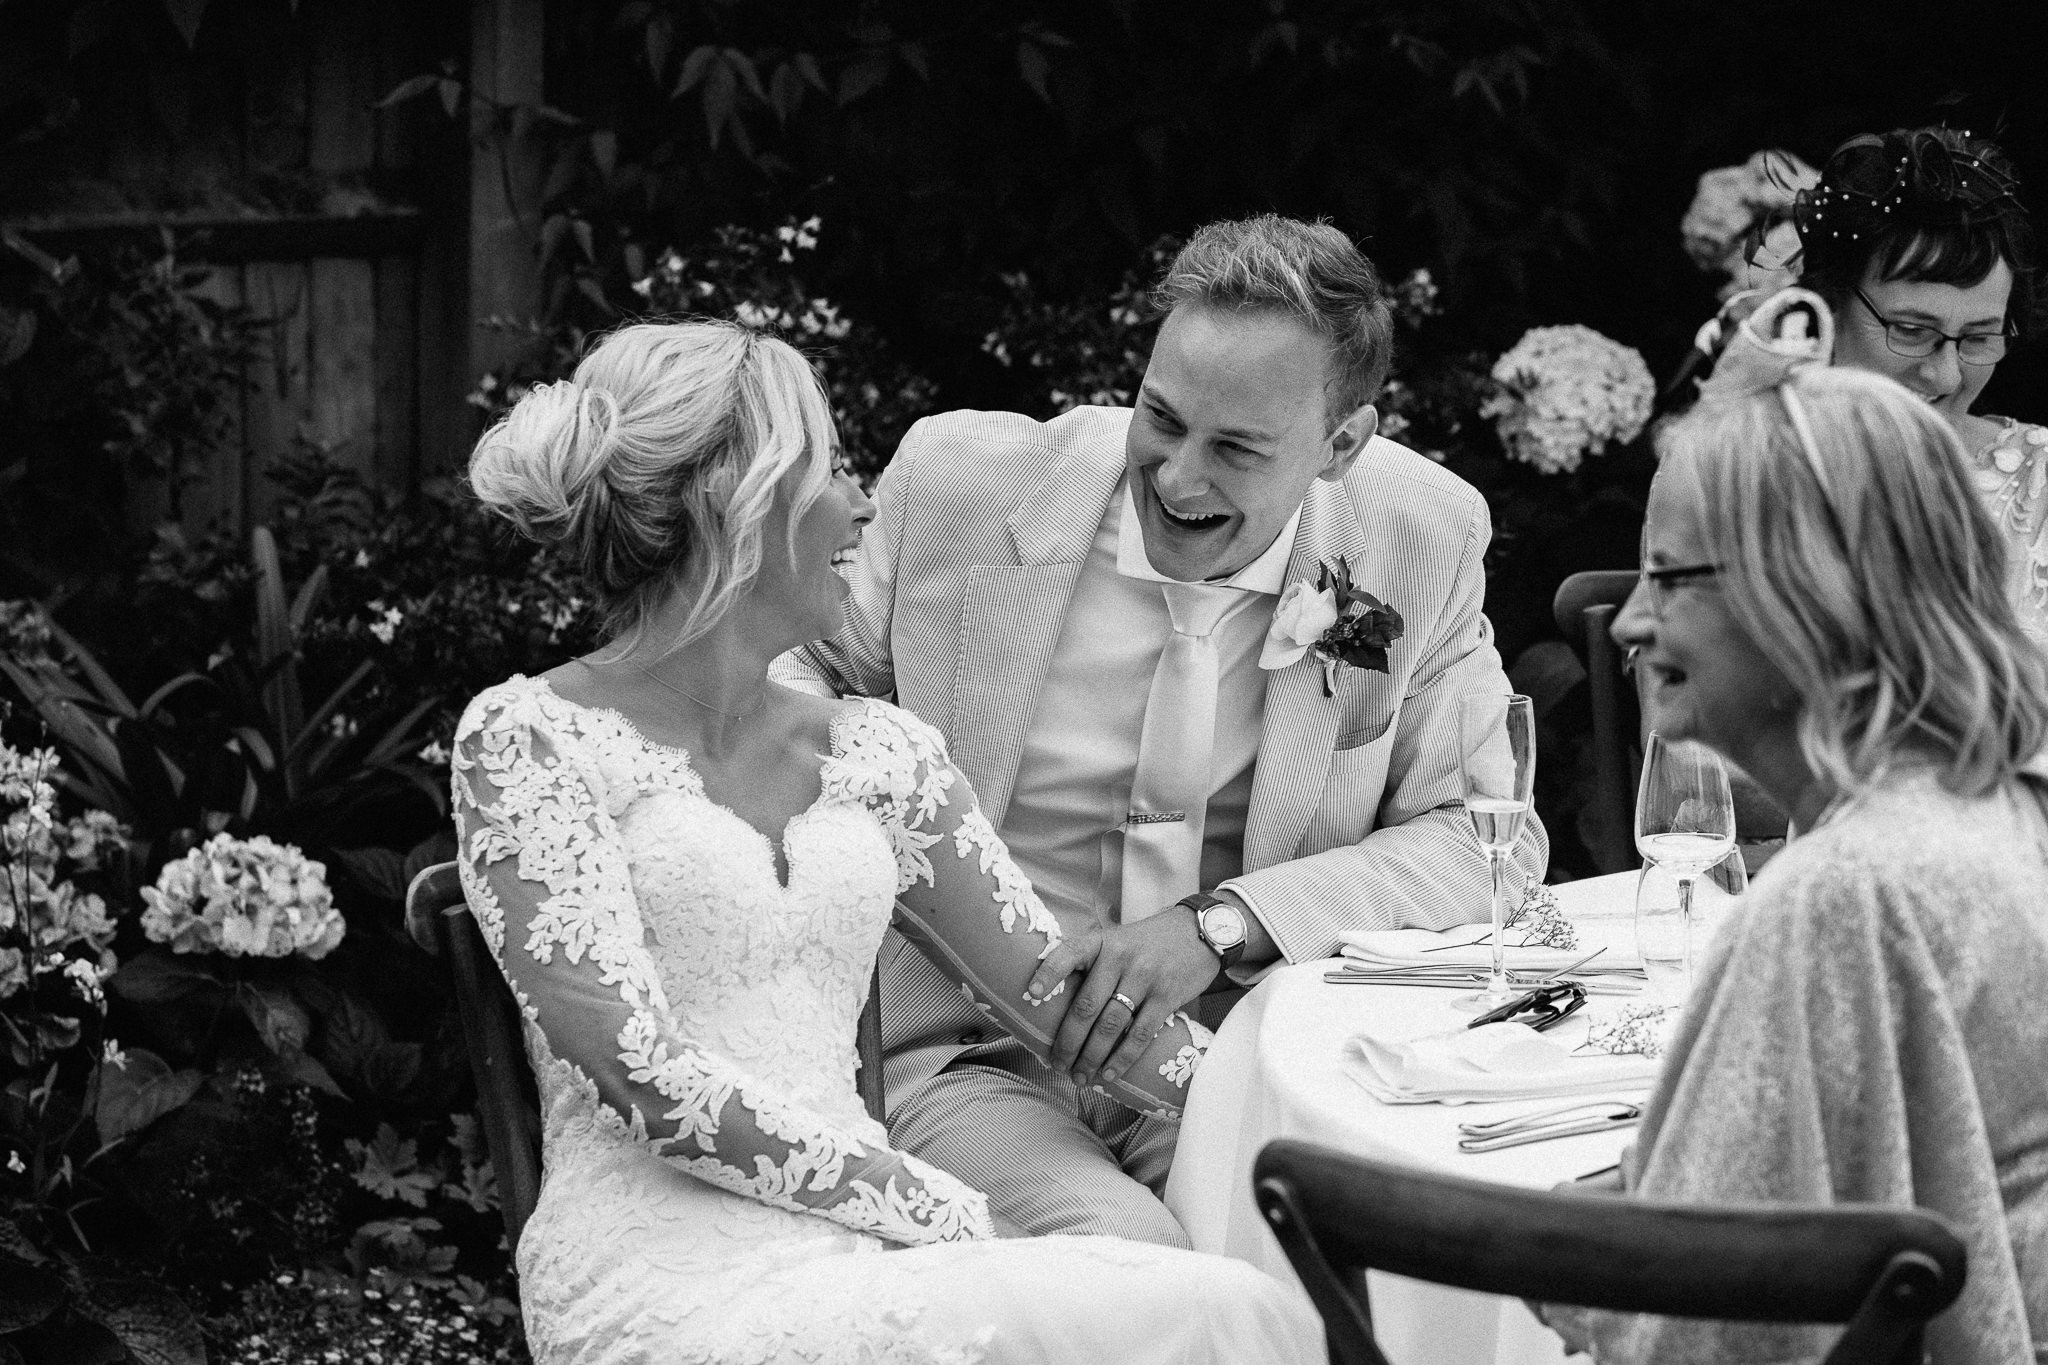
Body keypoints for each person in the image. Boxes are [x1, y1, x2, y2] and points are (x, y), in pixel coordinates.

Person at [451, 320, 1326, 1364]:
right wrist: (927, 1202)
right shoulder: (525, 741)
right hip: (663, 1274)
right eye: (828, 465)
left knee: (1226, 1304)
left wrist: (1319, 1112)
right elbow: (641, 1077)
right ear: (737, 499)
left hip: (865, 1251)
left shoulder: (882, 757)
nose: (861, 503)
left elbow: (1064, 1003)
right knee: (1214, 1316)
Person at [773, 214, 1548, 1244]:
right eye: (1160, 418)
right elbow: (789, 674)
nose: (1179, 479)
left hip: (1240, 1052)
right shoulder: (957, 486)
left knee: (1363, 1244)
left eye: (1234, 449)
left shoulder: (1420, 530)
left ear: (1343, 445)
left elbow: (1482, 836)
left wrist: (1222, 925)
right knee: (1137, 1270)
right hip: (968, 1051)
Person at [1542, 292, 2048, 1363]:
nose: (1630, 622)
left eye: (1668, 576)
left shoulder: (1843, 896)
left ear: (1804, 596)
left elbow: (1698, 1333)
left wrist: (1543, 1261)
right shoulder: (1993, 803)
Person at [1793, 124, 2048, 638]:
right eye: (1911, 331)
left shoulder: (2042, 484)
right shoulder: (1725, 474)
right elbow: (1681, 715)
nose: (1947, 374)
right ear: (1829, 305)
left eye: (1979, 338)